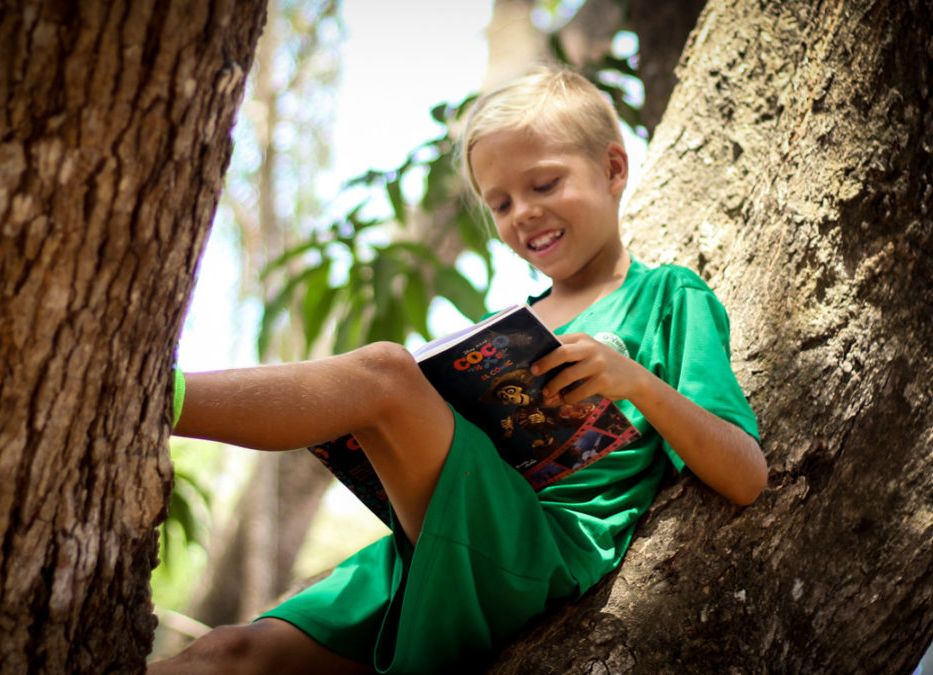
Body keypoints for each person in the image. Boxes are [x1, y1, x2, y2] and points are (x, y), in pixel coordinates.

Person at [150, 64, 767, 674]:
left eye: (545, 184)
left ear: (612, 169)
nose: (522, 212)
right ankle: (142, 408)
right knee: (229, 653)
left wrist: (634, 380)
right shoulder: (511, 328)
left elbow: (746, 476)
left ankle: (147, 401)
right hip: (428, 542)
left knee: (386, 376)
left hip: (540, 548)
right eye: (499, 202)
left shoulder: (668, 295)